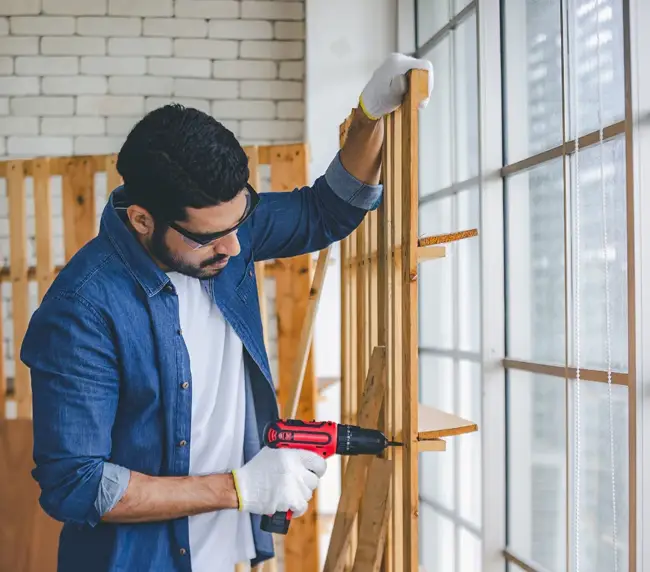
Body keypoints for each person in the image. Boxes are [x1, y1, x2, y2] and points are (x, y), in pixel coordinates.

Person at [20, 53, 433, 572]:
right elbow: (74, 484)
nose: (237, 248)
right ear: (143, 220)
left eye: (242, 221)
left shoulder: (222, 232)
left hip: (226, 551)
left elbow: (328, 209)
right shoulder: (81, 311)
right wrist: (238, 487)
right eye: (213, 237)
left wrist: (371, 114)